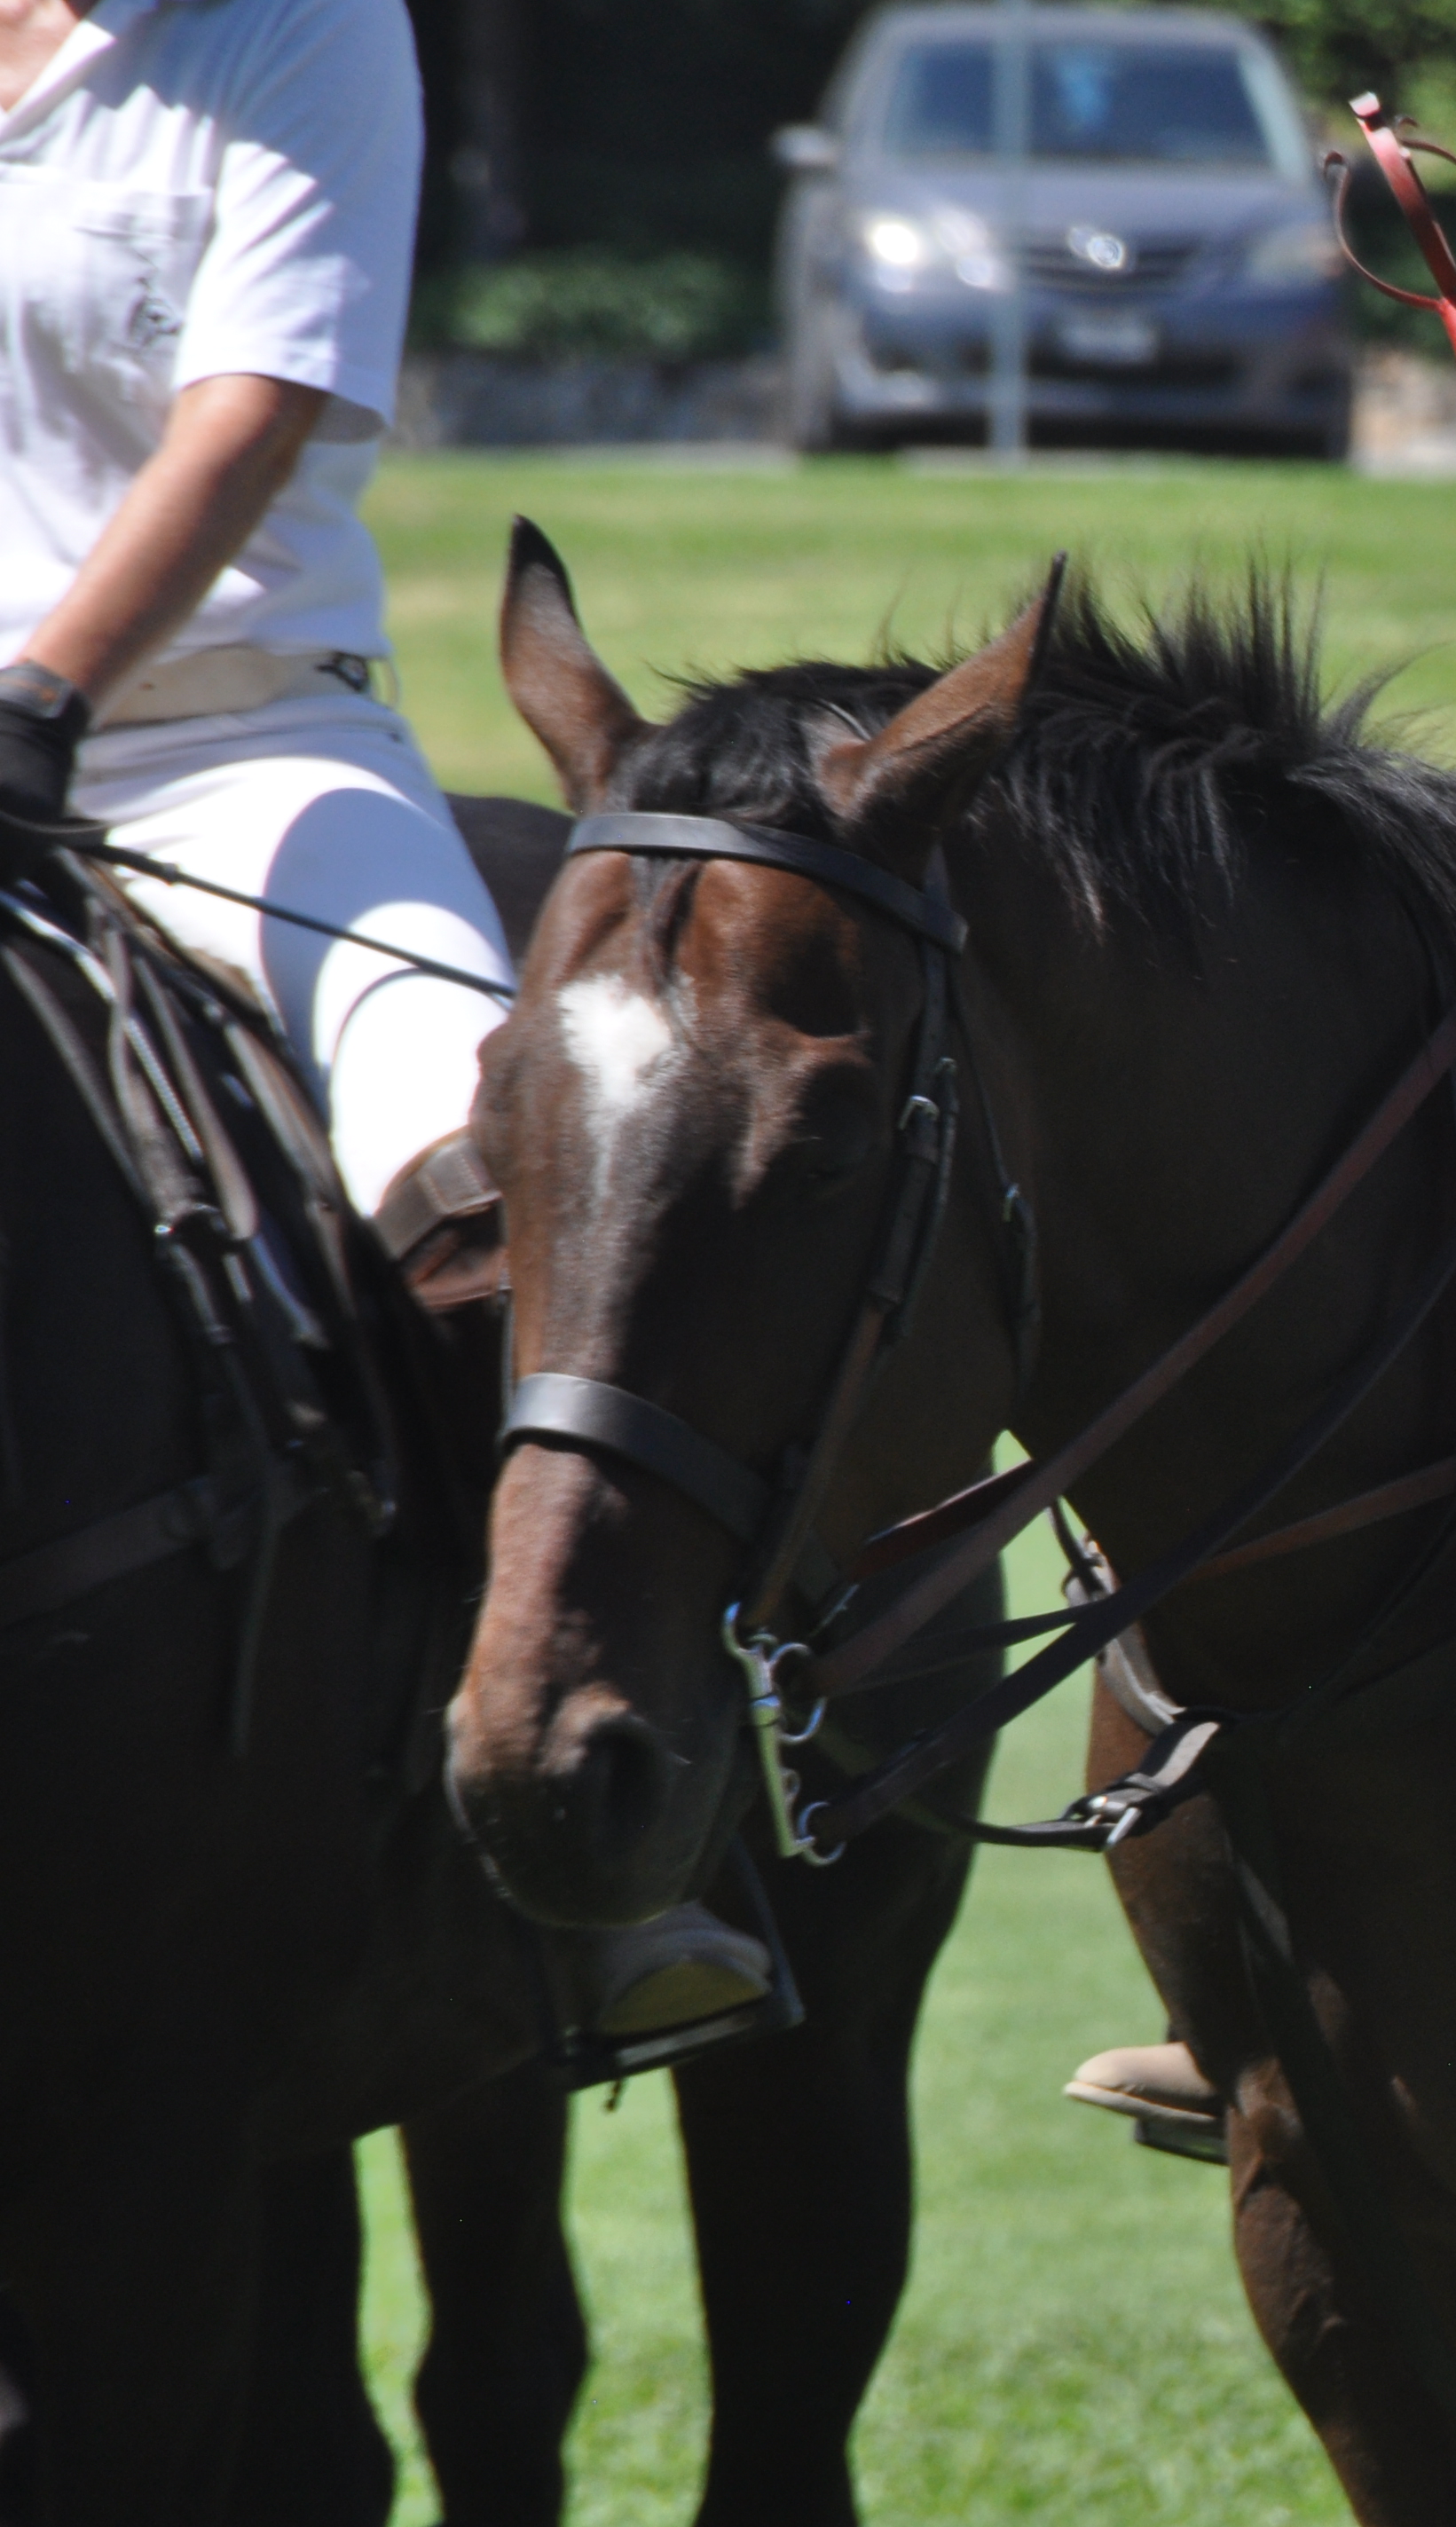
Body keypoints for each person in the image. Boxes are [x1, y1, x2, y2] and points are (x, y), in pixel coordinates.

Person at [0, 0, 764, 2036]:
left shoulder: (302, 31)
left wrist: (40, 694)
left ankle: (583, 1836)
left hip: (231, 747)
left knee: (469, 1190)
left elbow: (250, 408)